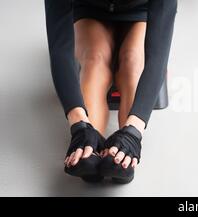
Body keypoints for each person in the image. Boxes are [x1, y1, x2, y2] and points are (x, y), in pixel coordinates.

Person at [44, 0, 177, 183]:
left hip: (141, 12)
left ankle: (125, 149)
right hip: (89, 10)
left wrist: (134, 132)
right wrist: (78, 125)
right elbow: (60, 49)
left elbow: (157, 56)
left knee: (132, 62)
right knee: (95, 60)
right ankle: (88, 148)